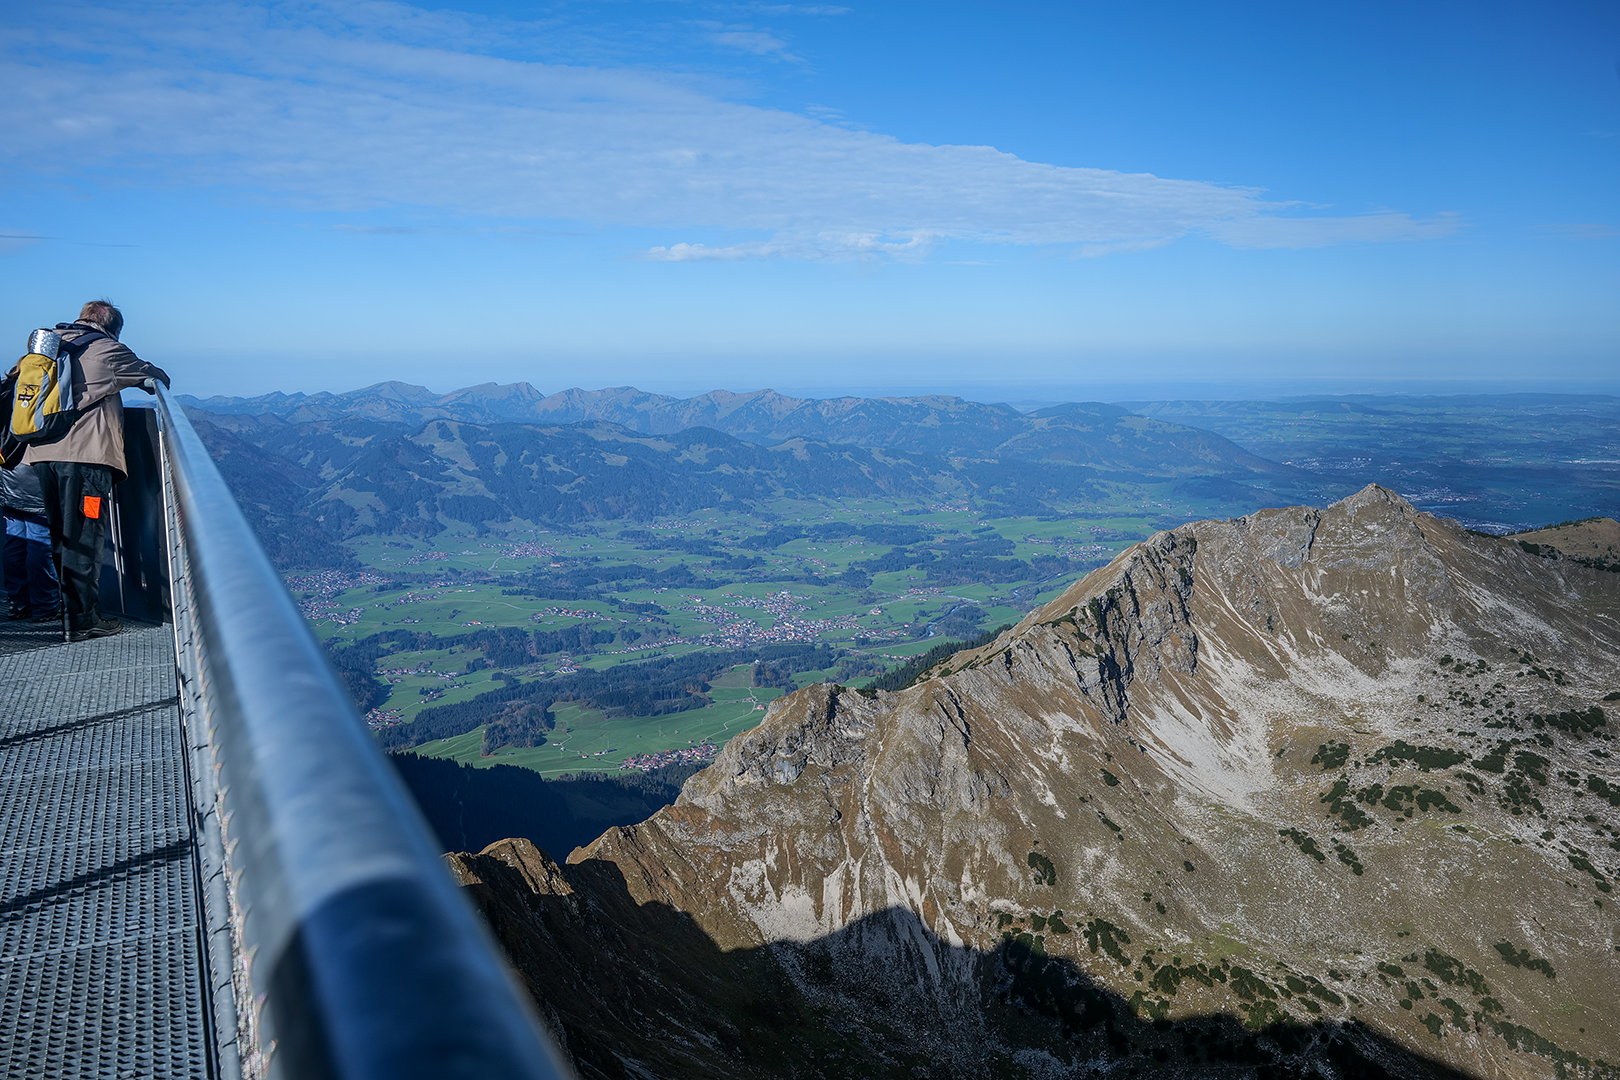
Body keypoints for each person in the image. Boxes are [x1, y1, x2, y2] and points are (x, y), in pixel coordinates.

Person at [17, 301, 169, 642]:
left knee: (61, 536)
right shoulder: (108, 349)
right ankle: (84, 620)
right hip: (86, 462)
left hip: (42, 456)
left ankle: (72, 616)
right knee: (85, 536)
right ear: (112, 326)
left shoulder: (48, 343)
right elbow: (157, 375)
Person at [0, 463, 61, 623]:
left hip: (11, 481)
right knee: (40, 544)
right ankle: (46, 605)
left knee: (15, 542)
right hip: (37, 482)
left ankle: (19, 603)